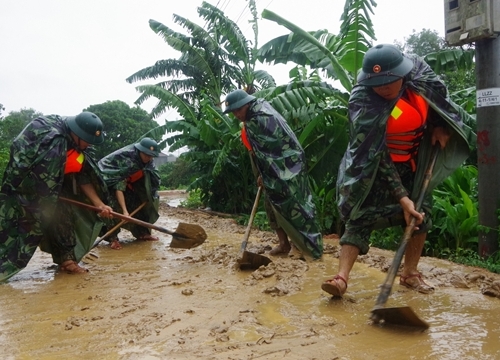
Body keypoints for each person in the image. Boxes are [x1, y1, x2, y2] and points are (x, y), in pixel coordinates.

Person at [321, 44, 475, 297]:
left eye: (387, 82)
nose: (381, 87)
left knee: (420, 216)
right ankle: (341, 279)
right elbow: (374, 152)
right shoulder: (362, 101)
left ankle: (410, 274)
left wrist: (439, 125)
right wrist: (401, 196)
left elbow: (439, 99)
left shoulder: (420, 78)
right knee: (360, 216)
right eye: (376, 82)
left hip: (413, 162)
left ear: (402, 74)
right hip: (373, 166)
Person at [0, 111, 113, 281]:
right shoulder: (54, 142)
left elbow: (82, 175)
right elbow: (42, 182)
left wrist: (99, 203)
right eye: (87, 141)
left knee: (62, 214)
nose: (88, 145)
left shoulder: (73, 142)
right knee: (22, 225)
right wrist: (48, 197)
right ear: (78, 134)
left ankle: (67, 260)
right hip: (24, 186)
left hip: (55, 182)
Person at [223, 89, 323, 260]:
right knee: (271, 206)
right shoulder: (252, 118)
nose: (236, 115)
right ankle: (284, 243)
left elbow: (273, 151)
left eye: (237, 110)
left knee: (291, 206)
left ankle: (301, 246)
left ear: (246, 104)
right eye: (233, 112)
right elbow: (262, 152)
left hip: (287, 168)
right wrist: (264, 174)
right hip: (271, 170)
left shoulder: (261, 117)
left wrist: (267, 173)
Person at [97, 137, 161, 249]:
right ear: (140, 151)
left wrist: (148, 195)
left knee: (138, 203)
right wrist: (125, 212)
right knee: (112, 207)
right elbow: (119, 187)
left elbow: (153, 180)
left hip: (130, 185)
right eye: (146, 154)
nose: (148, 157)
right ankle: (113, 239)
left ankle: (142, 233)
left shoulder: (149, 162)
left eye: (151, 155)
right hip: (109, 184)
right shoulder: (126, 160)